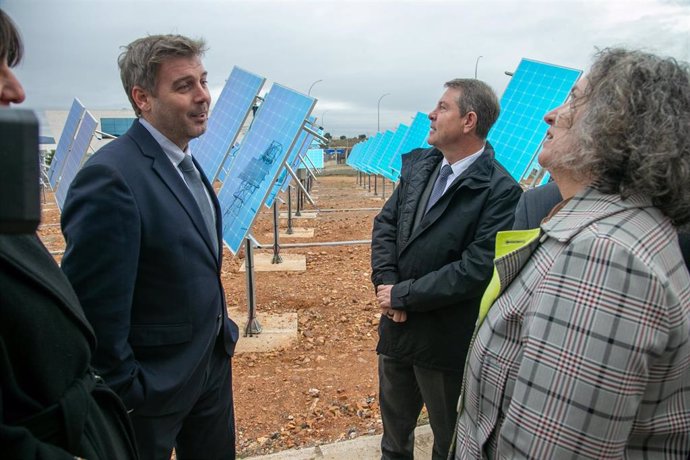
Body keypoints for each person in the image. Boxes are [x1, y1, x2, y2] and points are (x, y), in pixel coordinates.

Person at [453, 48, 690, 459]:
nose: (551, 114)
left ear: (621, 128)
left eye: (575, 101)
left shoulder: (605, 257)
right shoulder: (613, 229)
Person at [60, 34, 239, 460]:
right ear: (142, 98)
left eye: (203, 81)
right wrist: (129, 390)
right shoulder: (111, 177)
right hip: (152, 390)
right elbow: (94, 307)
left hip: (209, 367)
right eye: (184, 86)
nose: (203, 97)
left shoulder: (185, 162)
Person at [0, 9, 138, 459]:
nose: (17, 90)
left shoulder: (10, 224)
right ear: (142, 98)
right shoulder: (110, 176)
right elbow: (98, 297)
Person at [371, 79, 522, 459]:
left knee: (448, 443)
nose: (431, 114)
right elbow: (386, 225)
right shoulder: (421, 167)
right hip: (398, 327)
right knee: (393, 441)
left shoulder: (500, 190)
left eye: (442, 107)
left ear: (469, 120)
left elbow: (475, 268)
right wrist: (387, 285)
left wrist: (404, 294)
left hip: (444, 343)